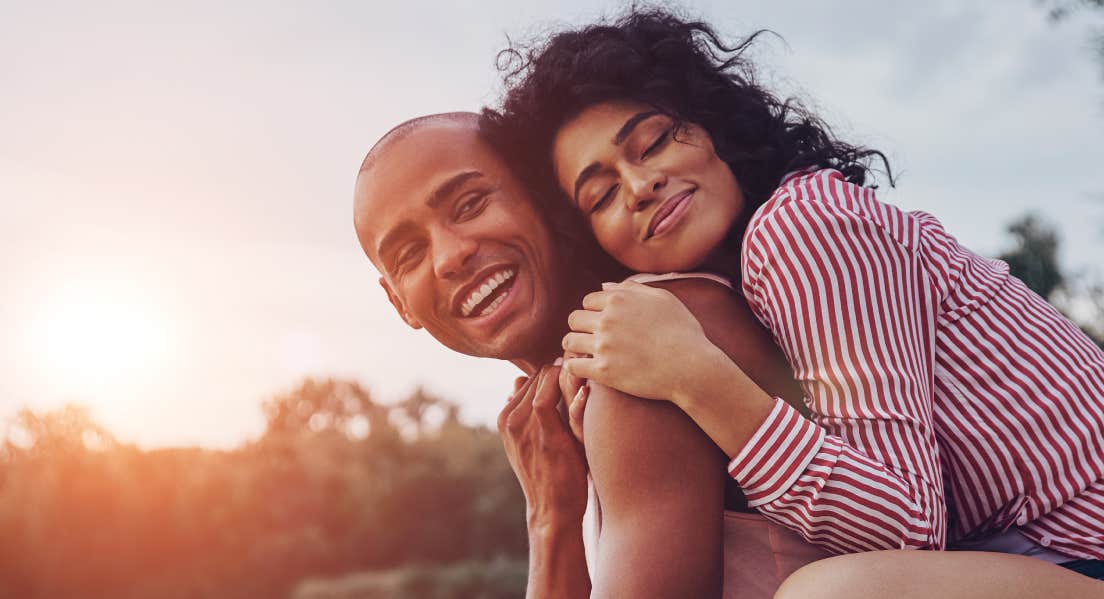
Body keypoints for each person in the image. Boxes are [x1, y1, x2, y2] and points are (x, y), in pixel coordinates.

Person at [481, 7, 1104, 595]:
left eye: (653, 143)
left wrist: (695, 376)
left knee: (827, 593)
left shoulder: (799, 226)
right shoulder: (738, 289)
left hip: (1081, 541)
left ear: (710, 129)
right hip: (1042, 557)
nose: (642, 185)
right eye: (602, 195)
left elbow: (911, 531)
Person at [352, 112, 833, 598]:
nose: (449, 256)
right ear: (399, 303)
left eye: (470, 204)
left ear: (545, 195)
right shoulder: (579, 389)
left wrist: (549, 528)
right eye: (409, 254)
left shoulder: (639, 351)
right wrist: (552, 518)